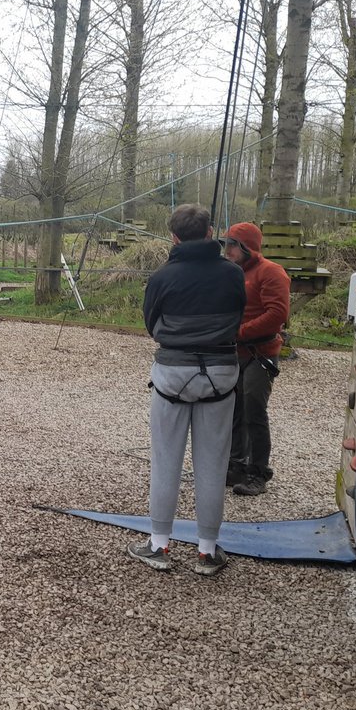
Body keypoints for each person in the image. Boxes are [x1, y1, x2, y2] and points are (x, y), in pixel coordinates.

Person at [127, 204, 245, 577]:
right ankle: (207, 551)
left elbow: (151, 323)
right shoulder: (233, 274)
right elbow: (237, 316)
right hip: (221, 374)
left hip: (172, 375)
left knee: (166, 460)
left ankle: (159, 544)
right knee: (213, 464)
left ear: (174, 237)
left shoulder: (163, 276)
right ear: (211, 232)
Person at [223, 222, 291, 497]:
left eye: (232, 244)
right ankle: (237, 464)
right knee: (233, 409)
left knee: (253, 409)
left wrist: (238, 333)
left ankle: (258, 472)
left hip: (260, 353)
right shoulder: (232, 273)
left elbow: (277, 315)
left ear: (246, 248)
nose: (226, 250)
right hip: (235, 351)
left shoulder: (271, 273)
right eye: (226, 243)